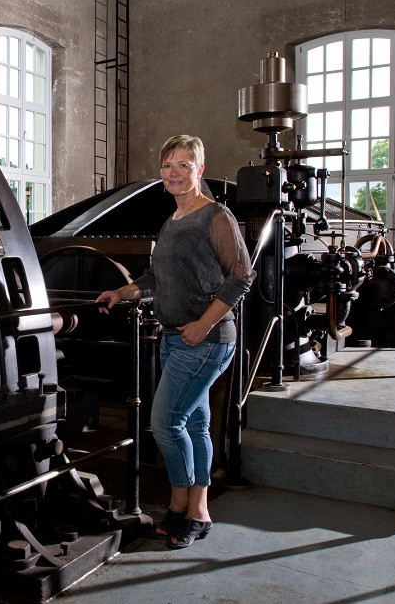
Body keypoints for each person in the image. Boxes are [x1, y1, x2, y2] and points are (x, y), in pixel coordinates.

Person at [96, 134, 254, 549]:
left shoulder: (215, 216)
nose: (174, 173)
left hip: (205, 340)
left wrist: (202, 324)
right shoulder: (172, 221)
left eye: (184, 165)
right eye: (168, 165)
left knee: (166, 424)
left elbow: (241, 276)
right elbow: (155, 279)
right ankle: (199, 512)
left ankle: (179, 504)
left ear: (200, 170)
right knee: (195, 426)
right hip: (173, 338)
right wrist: (122, 293)